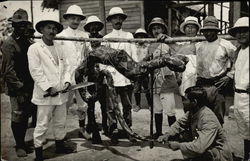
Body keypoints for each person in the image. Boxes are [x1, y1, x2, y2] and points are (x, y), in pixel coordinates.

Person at [157, 16, 236, 125]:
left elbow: (238, 59)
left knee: (217, 115)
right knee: (199, 114)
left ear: (217, 31)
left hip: (217, 84)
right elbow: (182, 49)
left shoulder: (226, 45)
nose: (208, 33)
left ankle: (217, 140)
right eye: (206, 30)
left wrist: (230, 75)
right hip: (201, 83)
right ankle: (200, 138)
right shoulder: (199, 44)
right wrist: (168, 40)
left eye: (211, 30)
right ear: (203, 31)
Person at [27, 18, 75, 161]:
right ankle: (39, 152)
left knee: (61, 121)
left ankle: (60, 145)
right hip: (45, 94)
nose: (52, 31)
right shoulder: (35, 48)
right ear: (41, 30)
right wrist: (48, 87)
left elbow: (67, 66)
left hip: (61, 93)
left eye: (54, 29)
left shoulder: (60, 48)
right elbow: (35, 71)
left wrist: (67, 82)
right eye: (48, 28)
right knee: (42, 123)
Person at [158, 86, 233, 161]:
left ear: (194, 102)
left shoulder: (208, 119)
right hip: (207, 148)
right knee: (181, 135)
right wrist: (168, 134)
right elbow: (180, 124)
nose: (182, 102)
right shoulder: (194, 111)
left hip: (218, 155)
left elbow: (200, 147)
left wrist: (179, 146)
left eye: (185, 99)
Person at [1, 8, 36, 157]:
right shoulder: (9, 44)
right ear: (13, 25)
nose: (22, 27)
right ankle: (19, 145)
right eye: (18, 24)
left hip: (28, 83)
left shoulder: (27, 41)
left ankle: (23, 142)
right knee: (18, 114)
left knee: (26, 114)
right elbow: (7, 70)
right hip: (16, 86)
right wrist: (19, 88)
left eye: (24, 25)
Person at [101, 7, 137, 143]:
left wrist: (133, 75)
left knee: (127, 105)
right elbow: (103, 58)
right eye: (115, 18)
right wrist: (106, 73)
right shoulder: (106, 38)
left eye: (120, 18)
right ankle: (113, 129)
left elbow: (133, 56)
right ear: (110, 20)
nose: (118, 20)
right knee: (111, 106)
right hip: (112, 77)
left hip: (126, 77)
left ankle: (128, 129)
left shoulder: (129, 36)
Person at [145, 17, 183, 139]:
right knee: (157, 108)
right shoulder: (150, 46)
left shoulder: (169, 44)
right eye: (154, 28)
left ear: (163, 29)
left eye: (159, 28)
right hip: (155, 80)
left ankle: (173, 134)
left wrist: (178, 76)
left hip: (167, 79)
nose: (156, 31)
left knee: (170, 109)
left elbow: (178, 60)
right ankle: (158, 132)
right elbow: (146, 61)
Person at [58, 4, 91, 140]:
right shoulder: (61, 36)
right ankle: (61, 133)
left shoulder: (85, 35)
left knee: (83, 104)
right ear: (67, 19)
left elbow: (88, 53)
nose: (75, 21)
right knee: (64, 104)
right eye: (73, 18)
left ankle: (82, 128)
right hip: (67, 74)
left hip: (81, 74)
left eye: (78, 19)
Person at [228, 17, 249, 160]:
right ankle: (247, 155)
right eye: (238, 32)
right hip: (239, 95)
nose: (241, 35)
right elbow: (236, 69)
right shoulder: (238, 51)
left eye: (245, 31)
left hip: (248, 95)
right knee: (244, 130)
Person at [83, 15, 106, 144]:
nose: (94, 28)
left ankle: (105, 125)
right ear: (88, 28)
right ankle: (92, 128)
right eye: (91, 26)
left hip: (102, 74)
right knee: (90, 103)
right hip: (90, 75)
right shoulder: (86, 41)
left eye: (96, 26)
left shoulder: (104, 39)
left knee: (103, 103)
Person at [178, 16, 200, 96]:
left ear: (197, 29)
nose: (190, 29)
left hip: (195, 72)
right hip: (182, 73)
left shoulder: (201, 42)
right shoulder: (180, 43)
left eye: (193, 27)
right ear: (184, 29)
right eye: (187, 27)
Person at [132, 28, 151, 112]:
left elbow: (149, 56)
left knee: (146, 88)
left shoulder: (147, 46)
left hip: (145, 69)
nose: (140, 38)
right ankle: (138, 105)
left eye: (142, 36)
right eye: (138, 36)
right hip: (137, 69)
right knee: (136, 88)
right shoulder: (134, 46)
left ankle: (150, 105)